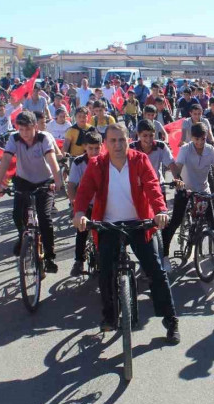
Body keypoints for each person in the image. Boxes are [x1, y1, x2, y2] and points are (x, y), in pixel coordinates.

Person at [71, 124, 179, 342]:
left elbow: (152, 186)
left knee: (156, 271)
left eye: (122, 140)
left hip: (139, 223)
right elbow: (84, 191)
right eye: (113, 141)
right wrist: (80, 213)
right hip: (109, 225)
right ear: (105, 144)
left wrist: (160, 211)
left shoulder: (139, 160)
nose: (118, 145)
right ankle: (110, 316)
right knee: (105, 273)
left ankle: (171, 320)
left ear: (128, 140)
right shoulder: (97, 164)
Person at [0, 111, 63, 272]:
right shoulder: (14, 138)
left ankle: (50, 256)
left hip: (44, 182)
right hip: (23, 181)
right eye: (21, 129)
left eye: (28, 130)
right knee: (17, 214)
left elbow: (51, 159)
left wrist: (58, 181)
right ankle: (23, 236)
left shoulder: (44, 138)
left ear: (35, 127)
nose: (24, 134)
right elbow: (6, 160)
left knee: (44, 218)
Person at [162, 122, 214, 261]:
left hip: (203, 190)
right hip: (185, 189)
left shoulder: (210, 150)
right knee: (175, 221)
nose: (200, 142)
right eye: (197, 139)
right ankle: (164, 254)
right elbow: (178, 167)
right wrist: (178, 182)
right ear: (191, 137)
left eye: (203, 139)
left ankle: (213, 252)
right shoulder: (185, 149)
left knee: (212, 224)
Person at [67, 131, 102, 277]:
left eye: (97, 148)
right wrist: (76, 206)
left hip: (102, 203)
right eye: (91, 148)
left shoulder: (106, 160)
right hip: (86, 204)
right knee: (82, 232)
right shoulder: (78, 163)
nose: (94, 152)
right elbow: (71, 186)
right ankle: (79, 260)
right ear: (85, 147)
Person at [130, 119, 178, 183]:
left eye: (151, 135)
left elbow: (172, 165)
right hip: (139, 186)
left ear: (155, 134)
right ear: (138, 135)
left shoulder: (161, 146)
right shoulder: (131, 148)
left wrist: (178, 179)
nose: (148, 139)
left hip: (158, 184)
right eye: (145, 136)